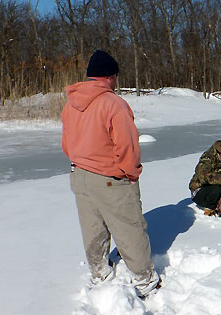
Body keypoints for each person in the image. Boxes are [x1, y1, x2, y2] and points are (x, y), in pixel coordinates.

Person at [62, 50, 160, 298]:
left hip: (79, 176)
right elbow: (127, 146)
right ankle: (145, 281)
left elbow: (67, 143)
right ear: (110, 76)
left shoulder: (71, 104)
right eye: (115, 77)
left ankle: (99, 273)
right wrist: (131, 173)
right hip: (110, 179)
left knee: (92, 229)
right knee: (129, 229)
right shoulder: (114, 104)